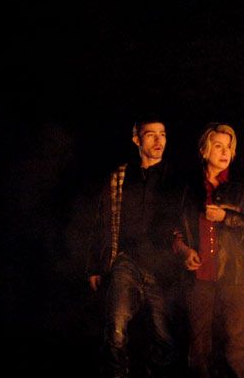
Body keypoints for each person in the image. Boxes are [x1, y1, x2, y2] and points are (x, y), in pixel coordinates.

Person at [86, 113, 182, 377]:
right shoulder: (120, 176)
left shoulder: (175, 177)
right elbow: (102, 219)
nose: (158, 140)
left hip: (163, 264)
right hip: (126, 260)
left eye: (162, 134)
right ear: (136, 139)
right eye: (151, 134)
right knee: (115, 326)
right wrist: (94, 265)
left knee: (165, 334)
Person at [172, 123, 244, 378]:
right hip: (199, 276)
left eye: (229, 147)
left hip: (236, 276)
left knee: (238, 342)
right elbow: (173, 229)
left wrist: (226, 216)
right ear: (204, 151)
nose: (225, 152)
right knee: (198, 343)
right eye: (218, 146)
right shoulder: (188, 188)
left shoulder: (243, 188)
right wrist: (183, 251)